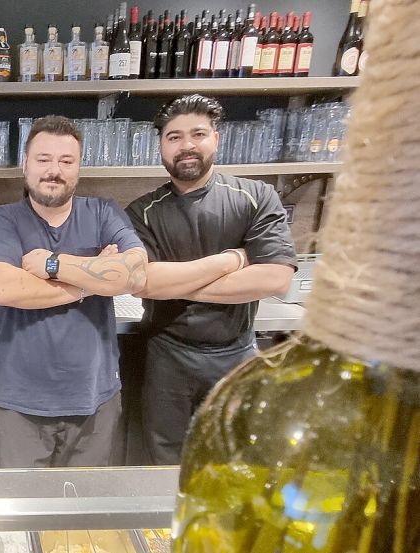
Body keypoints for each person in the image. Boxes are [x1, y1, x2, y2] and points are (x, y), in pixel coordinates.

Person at [125, 94, 297, 465]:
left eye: (198, 134)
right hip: (166, 355)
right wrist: (233, 259)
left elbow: (277, 277)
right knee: (163, 461)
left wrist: (178, 282)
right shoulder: (143, 212)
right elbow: (144, 282)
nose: (186, 145)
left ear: (216, 139)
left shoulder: (257, 196)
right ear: (161, 147)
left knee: (233, 460)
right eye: (174, 137)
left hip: (235, 353)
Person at [0, 115, 148, 468]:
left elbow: (135, 274)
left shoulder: (103, 212)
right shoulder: (2, 220)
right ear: (25, 164)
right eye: (43, 159)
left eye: (66, 161)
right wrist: (92, 282)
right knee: (22, 516)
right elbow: (4, 288)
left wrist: (53, 266)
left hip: (94, 401)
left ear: (79, 168)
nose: (54, 170)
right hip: (18, 405)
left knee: (86, 517)